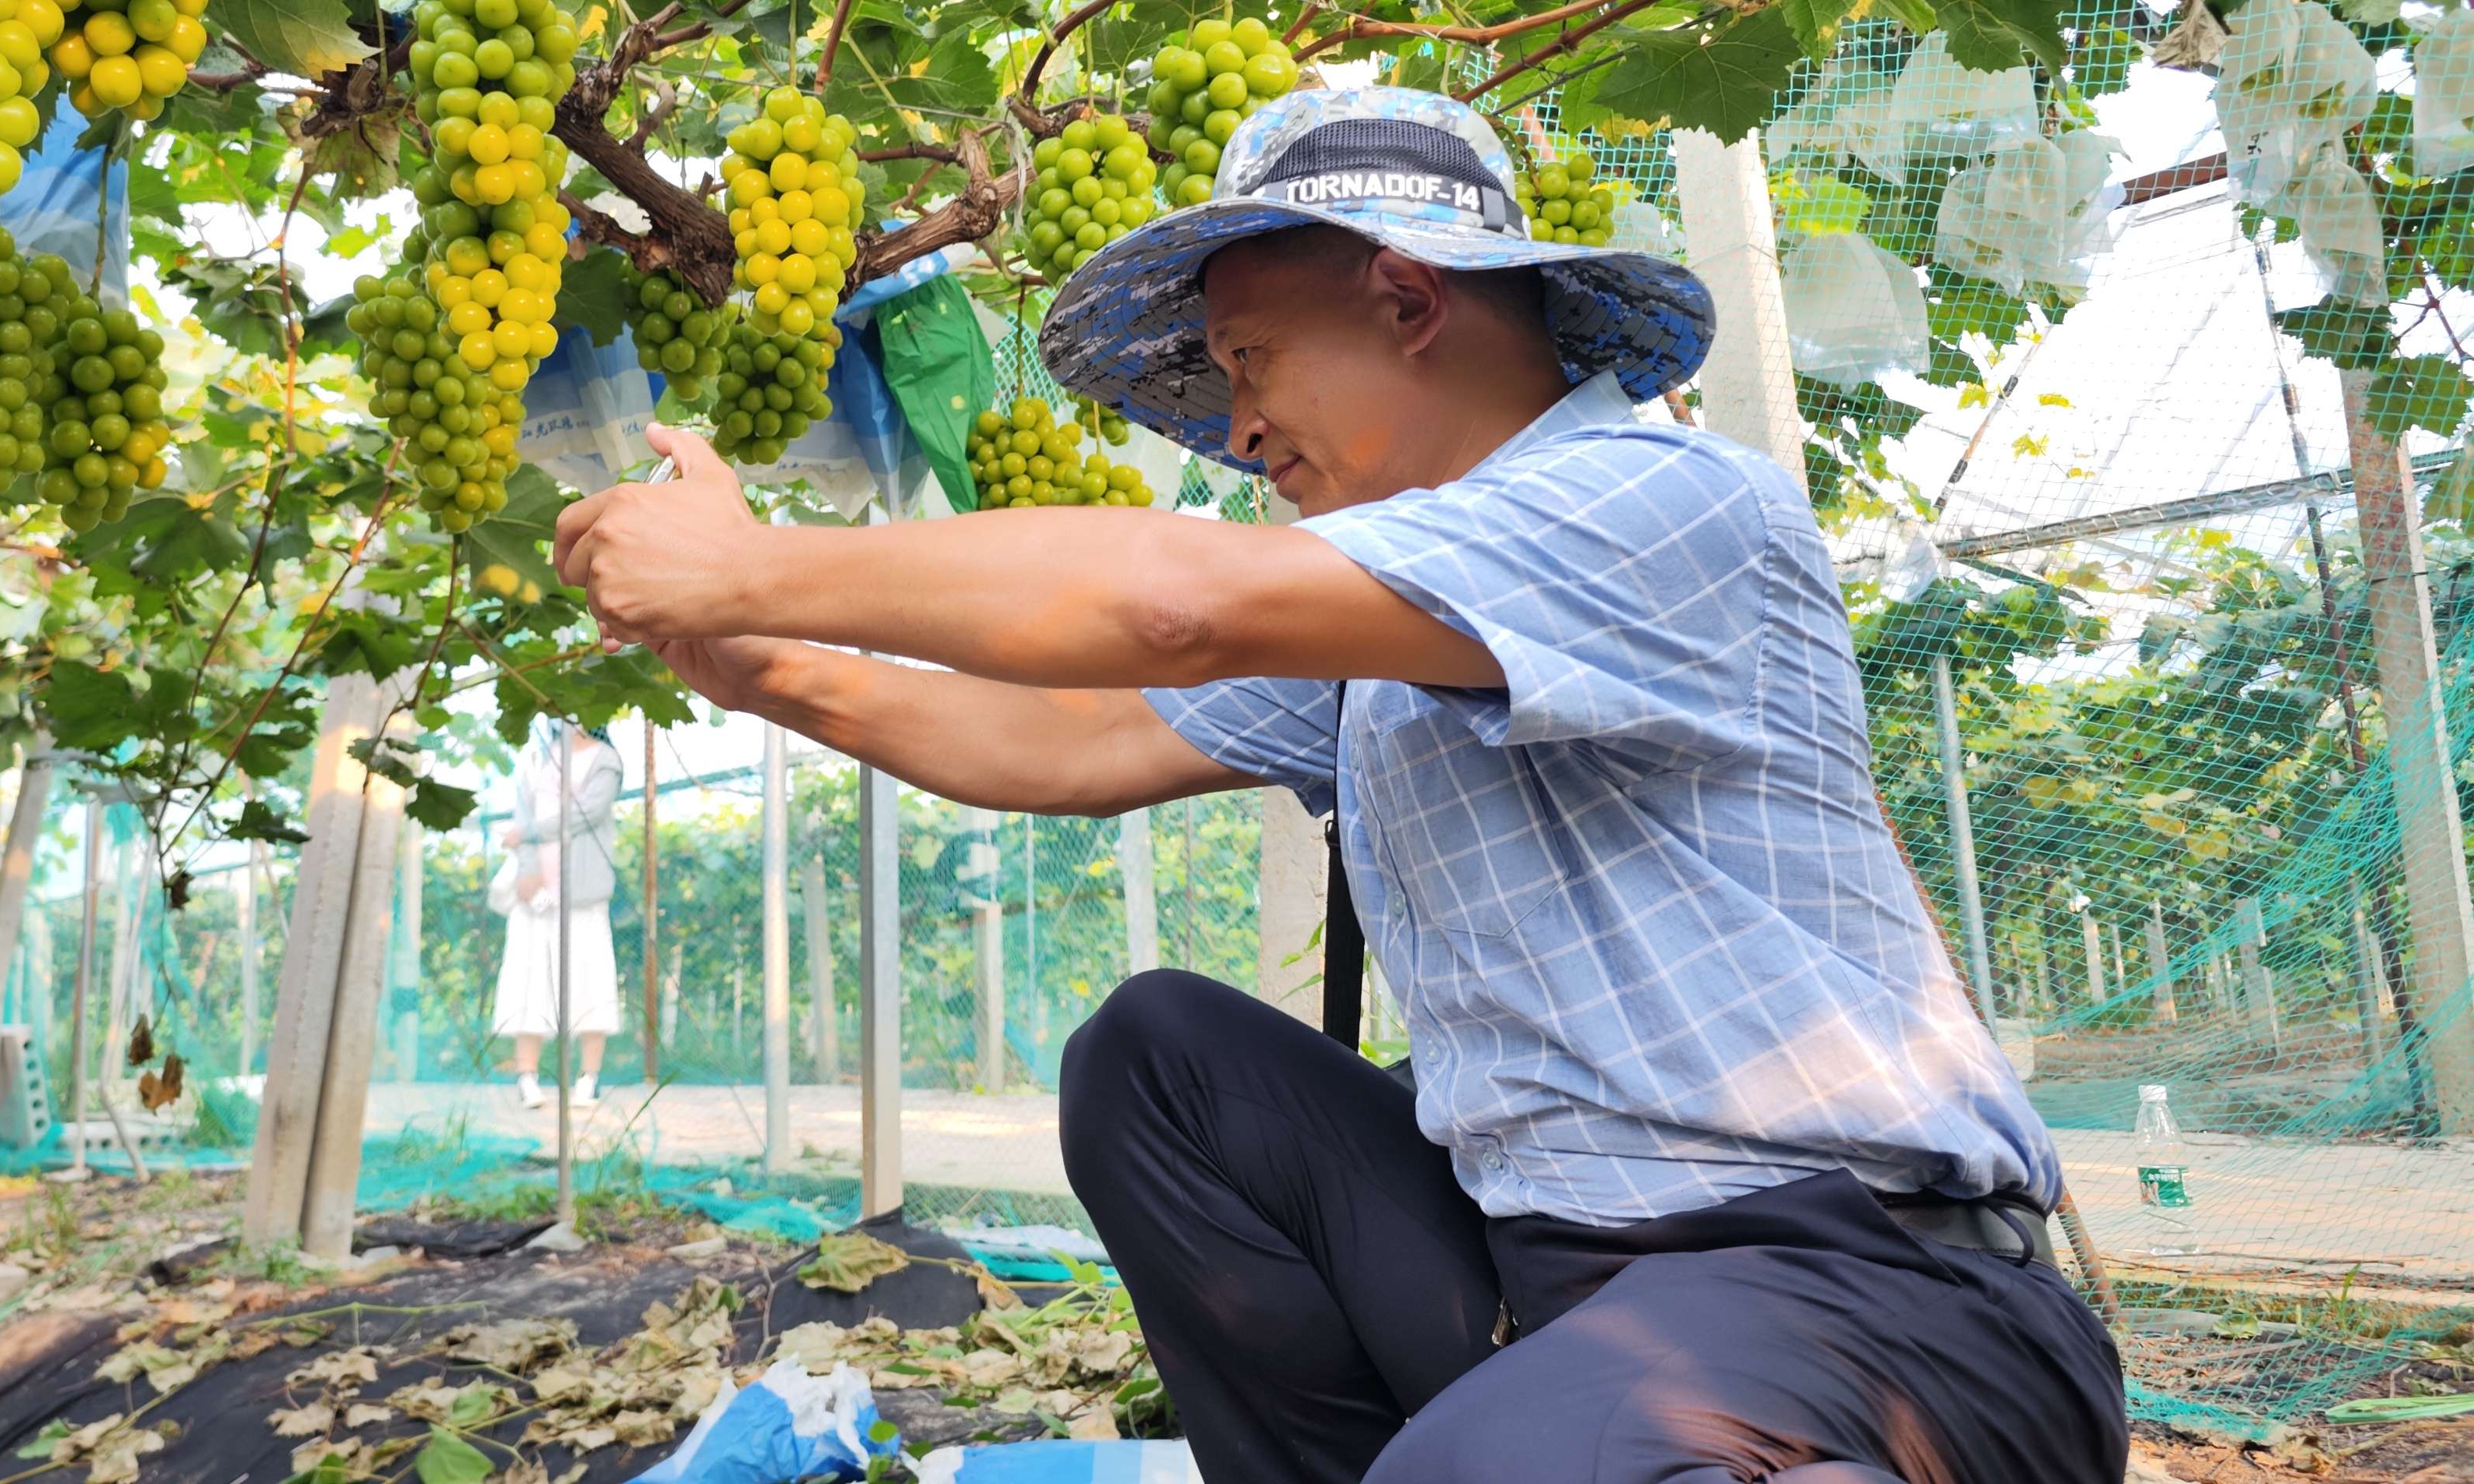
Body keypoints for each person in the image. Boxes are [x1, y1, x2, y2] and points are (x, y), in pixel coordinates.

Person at [551, 88, 2125, 1484]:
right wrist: (761, 662)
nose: (1234, 425)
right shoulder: (1382, 623)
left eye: (1248, 359)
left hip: (1873, 1296)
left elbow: (1169, 600)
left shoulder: (1651, 497)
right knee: (1158, 1060)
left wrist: (760, 565)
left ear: (1404, 297)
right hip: (1559, 1285)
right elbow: (1075, 742)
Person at [488, 719, 624, 1108]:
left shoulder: (607, 761)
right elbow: (522, 815)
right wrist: (528, 870)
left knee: (590, 981)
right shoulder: (534, 758)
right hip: (535, 894)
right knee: (527, 981)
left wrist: (528, 835)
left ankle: (588, 1079)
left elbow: (587, 814)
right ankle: (527, 1079)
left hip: (583, 893)